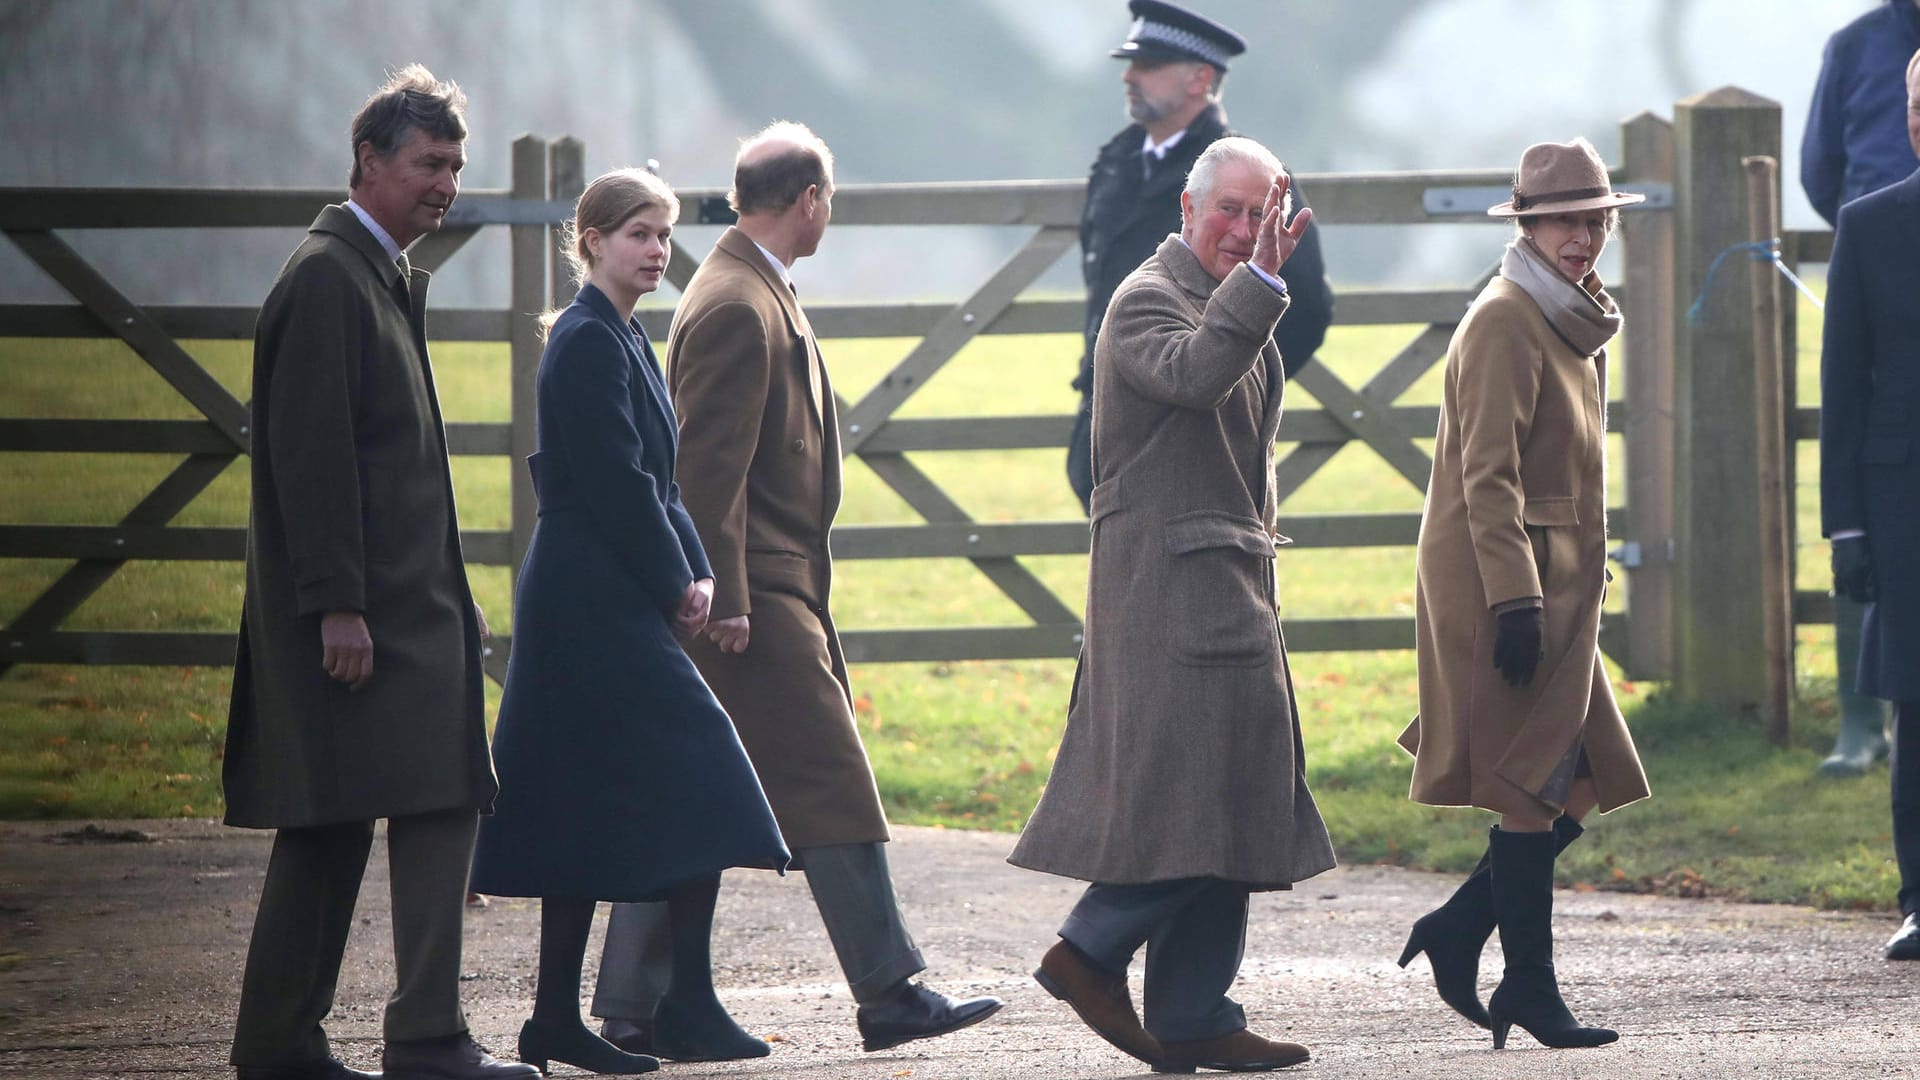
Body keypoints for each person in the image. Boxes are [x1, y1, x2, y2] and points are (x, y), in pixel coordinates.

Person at [588, 122, 1003, 1058]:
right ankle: (890, 991)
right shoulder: (739, 300)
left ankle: (632, 1004)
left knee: (686, 796)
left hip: (766, 585)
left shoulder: (749, 284)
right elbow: (706, 470)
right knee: (832, 781)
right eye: (830, 200)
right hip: (754, 597)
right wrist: (722, 589)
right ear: (810, 198)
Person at [222, 66, 536, 1080]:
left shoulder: (377, 274)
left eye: (455, 166)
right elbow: (315, 462)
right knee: (359, 812)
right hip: (367, 619)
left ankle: (306, 1044)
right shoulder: (327, 279)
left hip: (411, 611)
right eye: (428, 163)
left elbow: (400, 473)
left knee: (371, 809)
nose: (445, 183)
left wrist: (451, 600)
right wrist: (339, 606)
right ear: (369, 162)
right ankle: (410, 1040)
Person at [1010, 136, 1336, 1074]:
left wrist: (1261, 292)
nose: (1243, 230)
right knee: (1185, 803)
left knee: (1228, 797)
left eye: (1260, 212)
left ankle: (1196, 1015)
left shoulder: (1228, 297)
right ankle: (1088, 949)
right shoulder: (1147, 298)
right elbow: (1196, 373)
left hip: (1224, 584)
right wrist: (1263, 288)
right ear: (1186, 212)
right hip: (1165, 597)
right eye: (1228, 210)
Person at [466, 169, 792, 1074]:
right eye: (639, 234)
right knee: (701, 772)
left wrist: (693, 568)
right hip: (585, 599)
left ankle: (607, 1013)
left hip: (614, 588)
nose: (656, 251)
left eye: (663, 236)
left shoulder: (625, 336)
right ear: (593, 241)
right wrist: (671, 575)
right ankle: (646, 1007)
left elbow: (663, 480)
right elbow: (612, 483)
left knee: (602, 798)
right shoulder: (584, 343)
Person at [1395, 138, 1651, 1051]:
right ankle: (1530, 991)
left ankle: (1461, 929)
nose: (1586, 238)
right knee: (1533, 784)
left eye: (1597, 221)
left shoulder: (1569, 315)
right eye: (1567, 222)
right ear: (1529, 225)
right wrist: (1514, 600)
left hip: (1559, 582)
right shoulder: (1508, 318)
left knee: (1585, 776)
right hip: (1511, 583)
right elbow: (1487, 474)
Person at [1067, 0, 1334, 511]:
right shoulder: (1117, 164)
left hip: (1200, 433)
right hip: (1108, 414)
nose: (1130, 77)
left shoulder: (1247, 176)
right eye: (1131, 65)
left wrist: (1230, 387)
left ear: (1198, 79)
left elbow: (1304, 308)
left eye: (1148, 66)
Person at [1819, 47, 1920, 962]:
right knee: (1915, 705)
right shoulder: (1871, 224)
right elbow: (1841, 386)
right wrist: (1846, 527)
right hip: (1903, 505)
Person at [1799, 0, 1917, 776]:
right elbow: (1819, 172)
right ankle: (1860, 718)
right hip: (1885, 276)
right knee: (1868, 497)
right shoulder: (1856, 45)